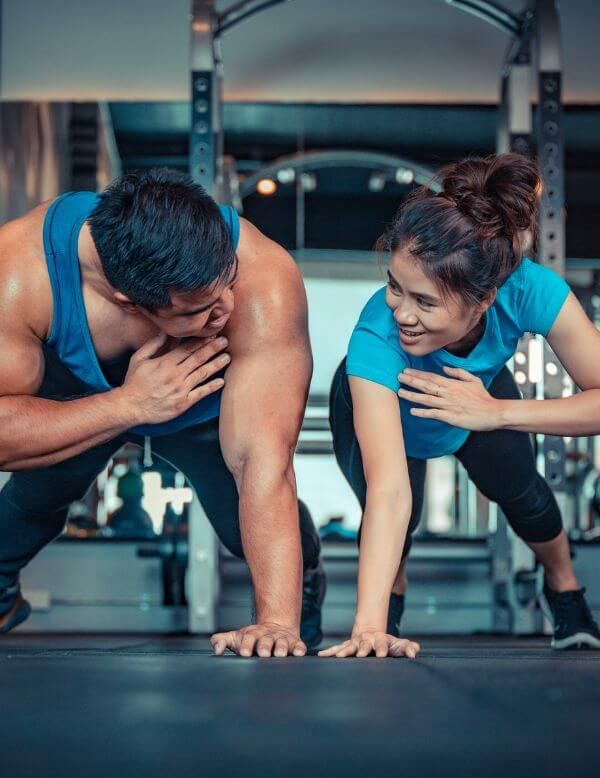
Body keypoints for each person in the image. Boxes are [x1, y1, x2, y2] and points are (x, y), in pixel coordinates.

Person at [0, 168, 325, 656]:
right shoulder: (19, 274)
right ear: (127, 302)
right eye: (200, 308)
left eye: (227, 284)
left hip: (206, 401)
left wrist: (276, 621)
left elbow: (265, 461)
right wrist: (130, 404)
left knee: (244, 522)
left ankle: (303, 590)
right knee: (39, 496)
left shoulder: (265, 277)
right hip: (85, 393)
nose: (227, 308)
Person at [321, 153, 600, 659]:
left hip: (477, 400)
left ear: (485, 299)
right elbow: (388, 493)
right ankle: (386, 610)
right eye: (394, 287)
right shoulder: (374, 341)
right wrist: (366, 628)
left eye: (425, 302)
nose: (402, 313)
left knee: (522, 491)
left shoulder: (531, 290)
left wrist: (496, 413)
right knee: (397, 518)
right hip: (383, 407)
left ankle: (565, 590)